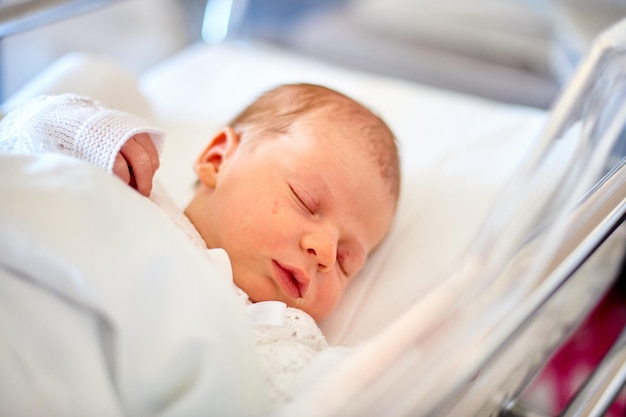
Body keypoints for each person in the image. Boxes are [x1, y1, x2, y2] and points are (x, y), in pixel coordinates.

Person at [0, 83, 400, 406]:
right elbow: (21, 144)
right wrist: (89, 134)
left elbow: (322, 391)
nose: (327, 254)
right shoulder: (133, 190)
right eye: (306, 200)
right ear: (217, 158)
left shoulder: (281, 333)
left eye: (348, 262)